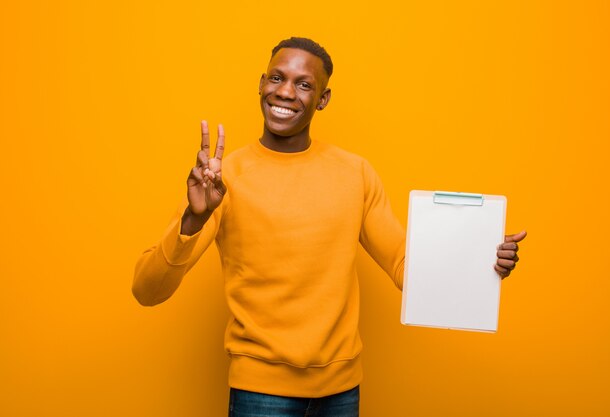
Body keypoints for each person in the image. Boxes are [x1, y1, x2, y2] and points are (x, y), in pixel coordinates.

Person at [133, 37, 527, 417]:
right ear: (261, 83)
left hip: (342, 392)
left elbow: (406, 265)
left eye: (303, 84)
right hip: (260, 394)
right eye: (277, 77)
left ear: (322, 99)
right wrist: (194, 217)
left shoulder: (354, 172)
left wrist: (480, 264)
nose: (286, 92)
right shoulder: (223, 179)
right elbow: (147, 290)